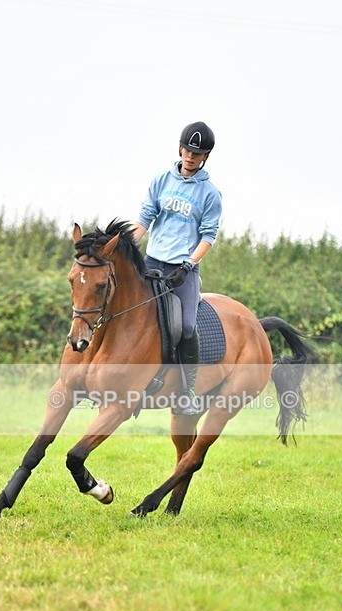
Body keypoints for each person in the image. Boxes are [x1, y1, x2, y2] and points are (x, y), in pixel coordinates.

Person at [132, 121, 222, 415]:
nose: (191, 156)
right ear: (180, 149)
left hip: (183, 270)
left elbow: (208, 235)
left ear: (205, 156)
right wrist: (124, 248)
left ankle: (189, 392)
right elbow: (144, 219)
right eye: (188, 150)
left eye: (197, 153)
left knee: (185, 327)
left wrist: (189, 263)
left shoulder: (210, 193)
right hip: (153, 263)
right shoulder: (161, 180)